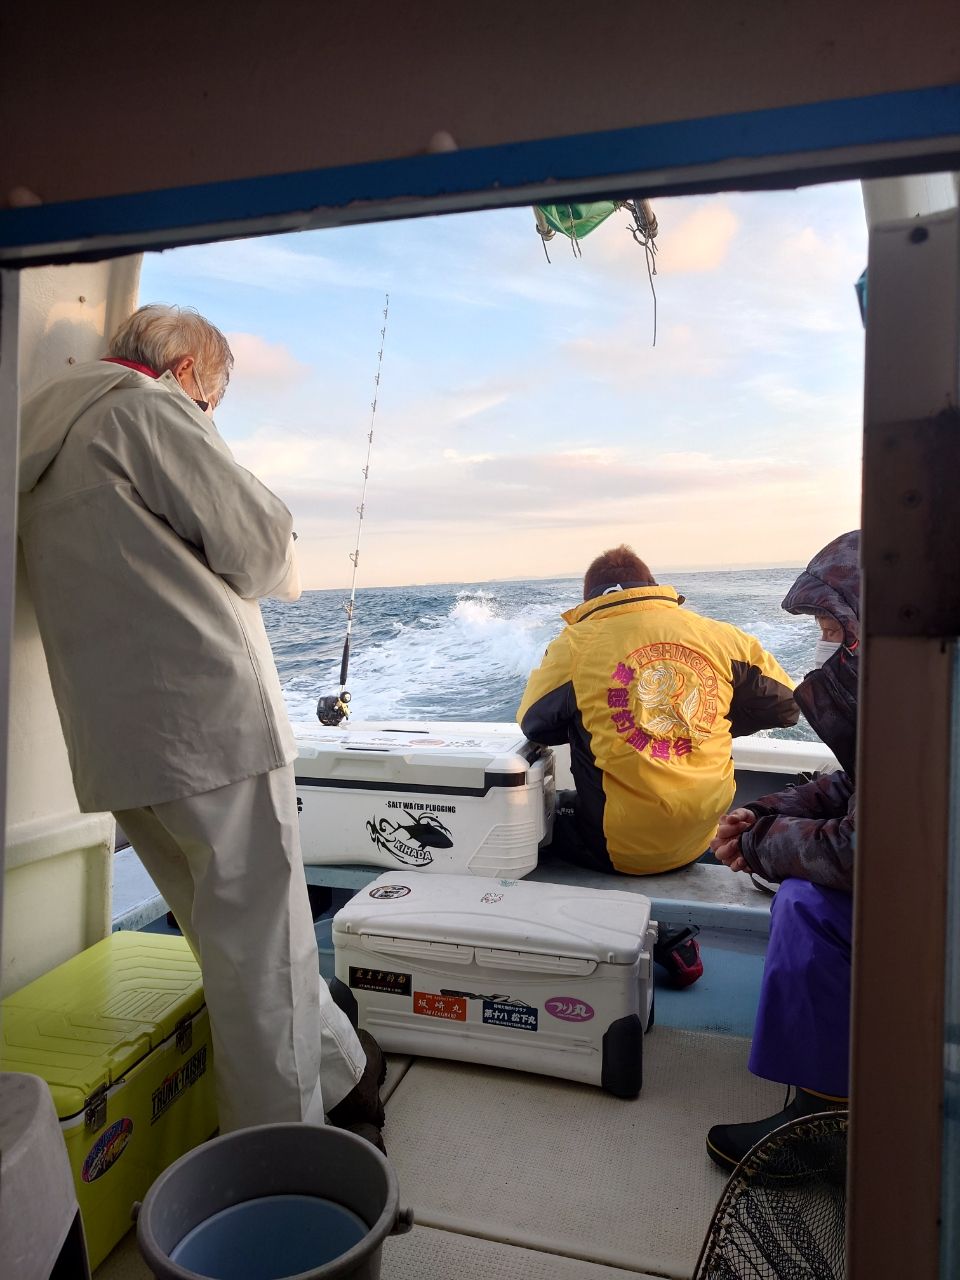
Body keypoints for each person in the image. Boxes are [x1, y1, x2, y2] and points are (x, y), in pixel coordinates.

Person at [17, 304, 384, 1143]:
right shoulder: (146, 410)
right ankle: (282, 1169)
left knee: (232, 950)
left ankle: (348, 1077)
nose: (205, 418)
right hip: (213, 735)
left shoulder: (36, 449)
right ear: (186, 373)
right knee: (271, 967)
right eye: (210, 403)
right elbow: (262, 551)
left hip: (120, 753)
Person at [517, 545, 799, 980]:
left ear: (592, 599)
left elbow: (535, 725)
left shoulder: (577, 643)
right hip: (703, 833)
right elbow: (785, 708)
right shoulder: (721, 636)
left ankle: (632, 938)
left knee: (537, 822)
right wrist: (703, 724)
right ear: (651, 587)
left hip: (618, 849)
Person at [706, 530, 859, 1170]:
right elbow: (860, 783)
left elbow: (859, 853)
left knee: (806, 903)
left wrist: (761, 843)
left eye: (833, 624)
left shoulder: (922, 696)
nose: (826, 640)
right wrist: (772, 808)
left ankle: (825, 1119)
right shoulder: (924, 687)